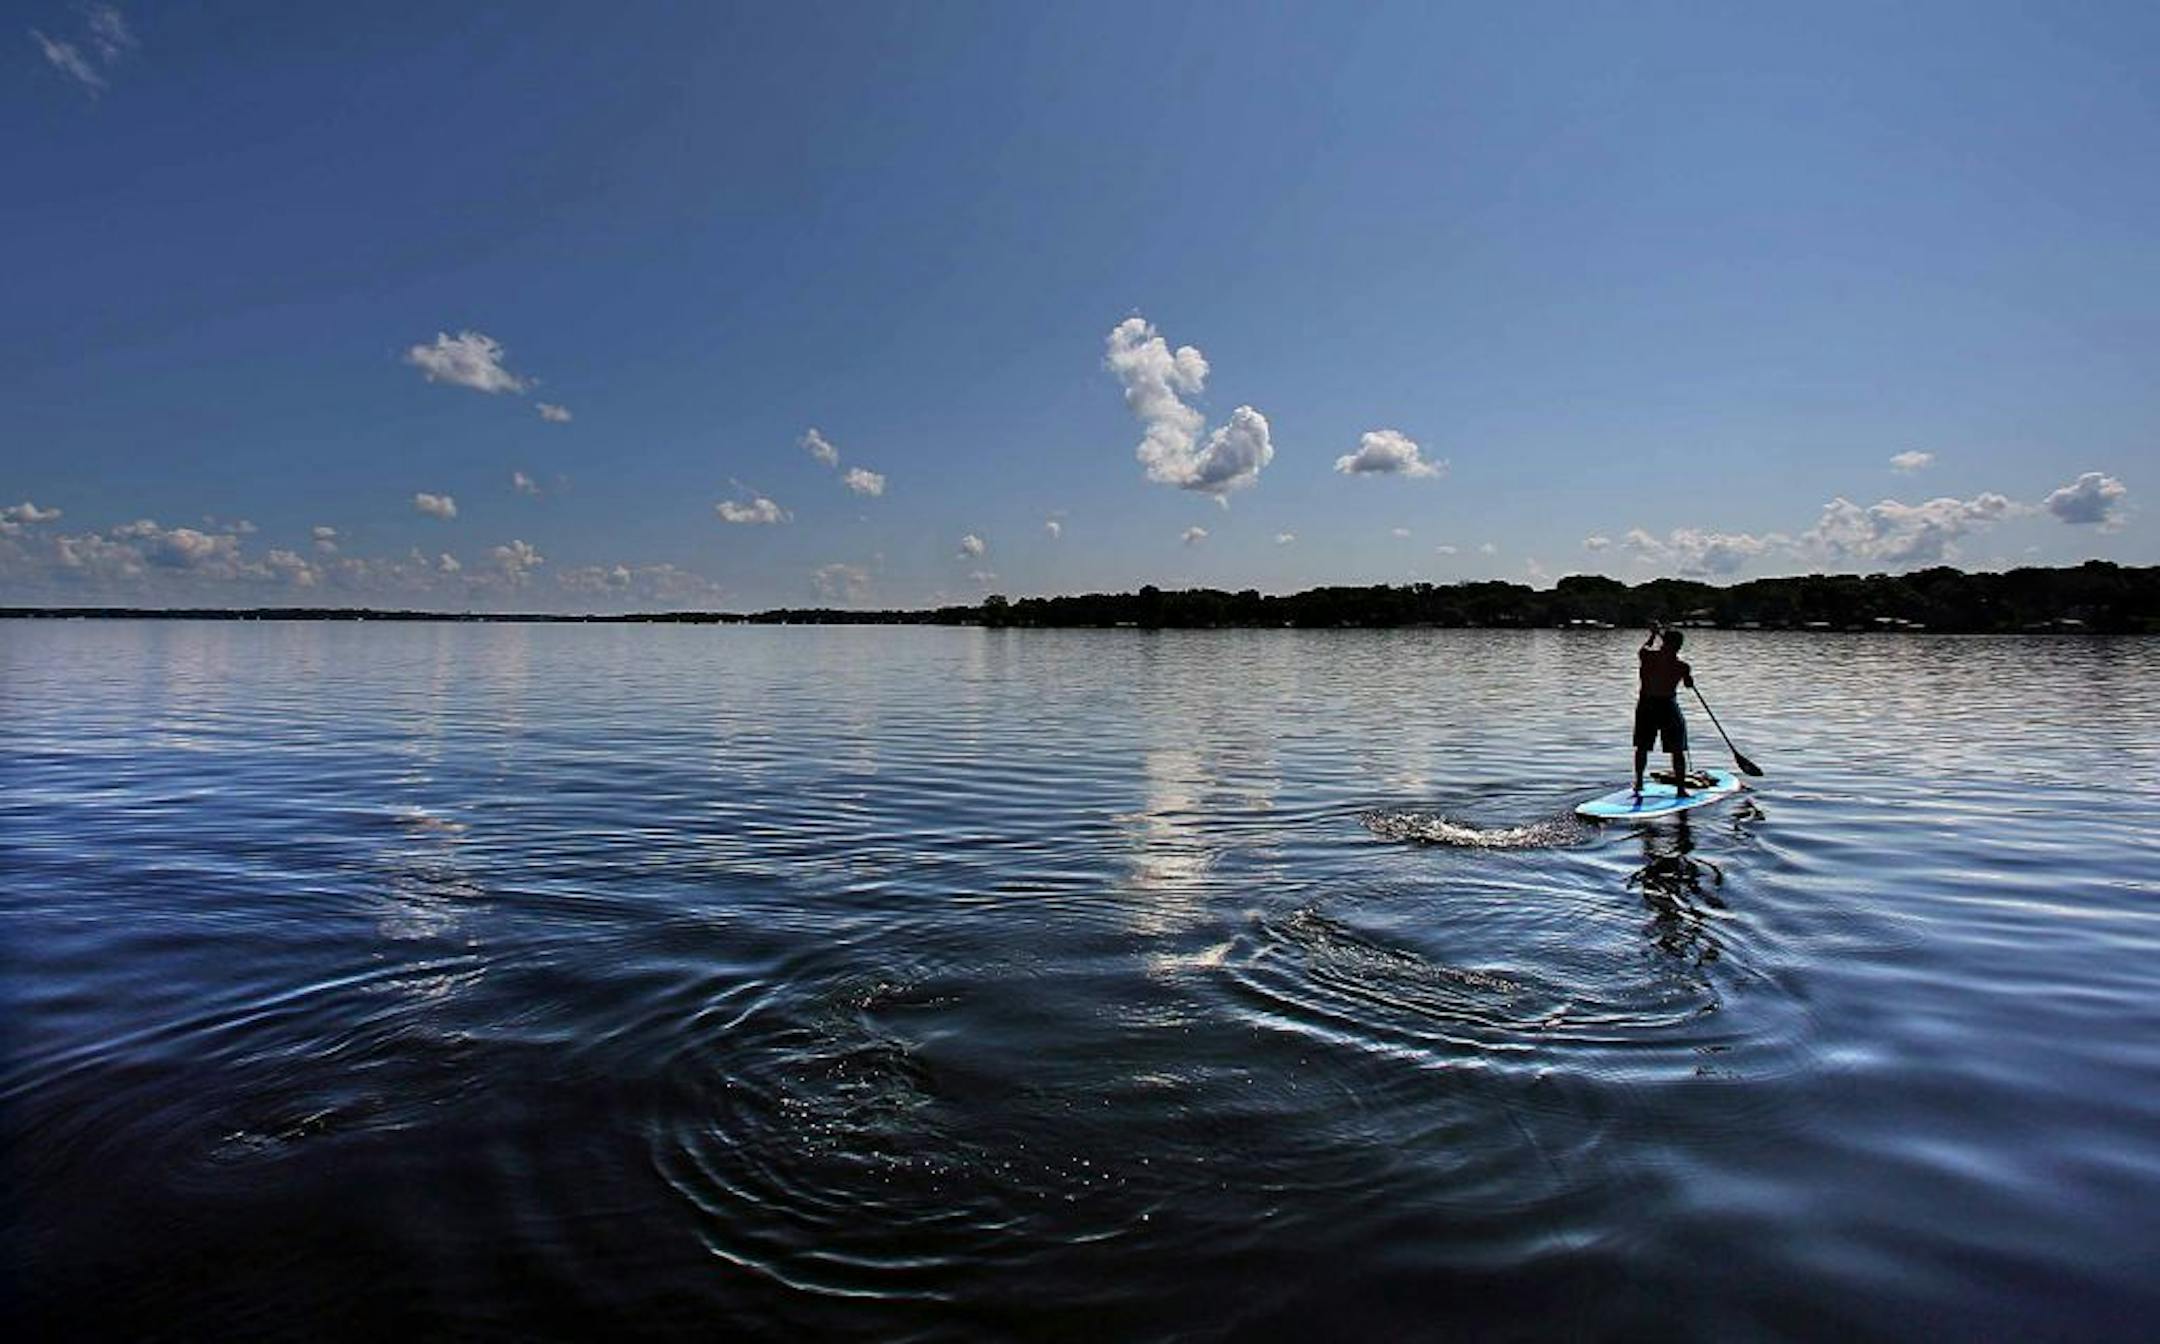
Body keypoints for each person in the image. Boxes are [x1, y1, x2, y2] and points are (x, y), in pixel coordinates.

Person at [1634, 623, 1694, 798]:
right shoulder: (1683, 666)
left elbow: (1644, 648)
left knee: (1643, 747)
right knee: (1676, 749)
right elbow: (1689, 684)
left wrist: (1653, 635)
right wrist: (1688, 679)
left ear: (1663, 643)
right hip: (1667, 705)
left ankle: (1639, 783)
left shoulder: (1647, 657)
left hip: (1647, 705)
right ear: (1679, 646)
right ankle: (1681, 789)